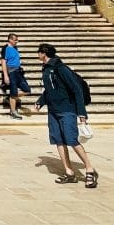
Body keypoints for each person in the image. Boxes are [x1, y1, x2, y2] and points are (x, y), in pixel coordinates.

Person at [33, 43, 97, 188]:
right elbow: (49, 90)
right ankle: (69, 172)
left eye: (39, 52)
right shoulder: (47, 69)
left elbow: (76, 89)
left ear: (44, 53)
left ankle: (89, 169)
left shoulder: (61, 68)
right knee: (59, 141)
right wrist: (40, 102)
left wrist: (81, 112)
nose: (37, 55)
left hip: (67, 109)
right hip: (53, 110)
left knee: (72, 140)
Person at [1, 33, 30, 119]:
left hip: (18, 71)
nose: (16, 41)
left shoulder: (15, 47)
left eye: (17, 40)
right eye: (15, 40)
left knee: (27, 90)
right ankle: (13, 112)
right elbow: (3, 62)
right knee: (13, 92)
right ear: (10, 39)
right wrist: (6, 76)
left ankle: (10, 98)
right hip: (11, 72)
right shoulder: (5, 48)